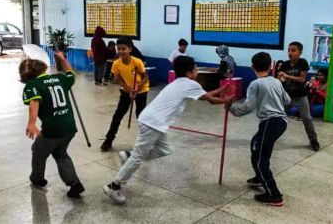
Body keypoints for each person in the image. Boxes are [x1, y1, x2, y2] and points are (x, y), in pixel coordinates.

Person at [103, 55, 231, 204]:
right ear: (189, 73)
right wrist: (226, 100)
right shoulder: (191, 84)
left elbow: (204, 96)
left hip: (154, 121)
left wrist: (221, 89)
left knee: (165, 149)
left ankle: (128, 155)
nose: (197, 71)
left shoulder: (179, 82)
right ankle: (114, 186)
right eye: (196, 69)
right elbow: (211, 100)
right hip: (153, 123)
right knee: (138, 158)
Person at [227, 52, 291, 206]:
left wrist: (231, 107)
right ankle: (259, 177)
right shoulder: (276, 81)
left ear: (252, 67)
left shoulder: (256, 84)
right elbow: (287, 101)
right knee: (255, 144)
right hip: (281, 121)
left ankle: (274, 195)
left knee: (262, 158)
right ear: (270, 66)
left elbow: (248, 106)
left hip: (270, 122)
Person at [20, 52, 85, 197]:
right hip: (69, 127)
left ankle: (37, 178)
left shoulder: (33, 85)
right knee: (60, 153)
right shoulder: (60, 78)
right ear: (42, 69)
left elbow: (34, 101)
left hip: (53, 129)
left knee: (38, 150)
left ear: (26, 76)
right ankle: (75, 184)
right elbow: (70, 74)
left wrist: (31, 123)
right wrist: (62, 59)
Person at [100, 37, 149, 151]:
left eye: (124, 49)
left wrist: (137, 87)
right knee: (118, 115)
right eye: (119, 49)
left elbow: (145, 77)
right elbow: (118, 79)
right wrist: (128, 90)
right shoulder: (116, 64)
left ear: (130, 49)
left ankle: (145, 142)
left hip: (141, 90)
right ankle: (108, 140)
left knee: (141, 116)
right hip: (126, 90)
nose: (121, 51)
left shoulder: (137, 62)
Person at [277, 41, 320, 151]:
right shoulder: (285, 64)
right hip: (287, 97)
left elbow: (302, 80)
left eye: (293, 50)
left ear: (300, 52)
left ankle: (313, 140)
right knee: (276, 115)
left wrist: (287, 76)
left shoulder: (302, 63)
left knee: (307, 118)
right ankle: (270, 137)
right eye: (288, 50)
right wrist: (281, 79)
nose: (290, 53)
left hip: (301, 97)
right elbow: (280, 80)